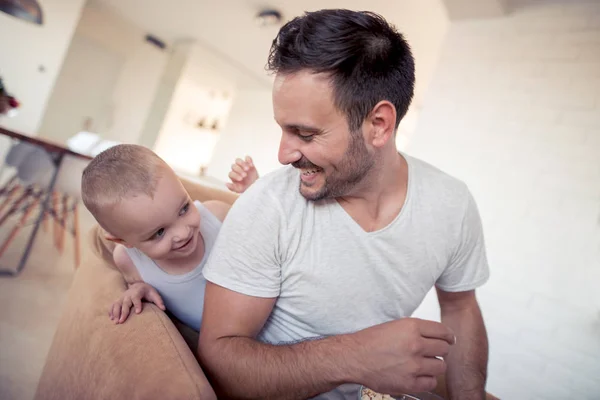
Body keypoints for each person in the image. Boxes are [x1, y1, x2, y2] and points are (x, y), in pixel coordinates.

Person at [199, 9, 491, 400]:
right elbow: (218, 360)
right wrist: (354, 357)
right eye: (284, 130)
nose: (284, 154)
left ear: (379, 125)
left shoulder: (452, 206)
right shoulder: (267, 207)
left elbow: (460, 307)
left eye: (304, 133)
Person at [80, 144, 230, 330]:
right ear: (122, 241)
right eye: (159, 232)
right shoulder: (128, 260)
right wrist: (139, 289)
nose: (183, 233)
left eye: (184, 209)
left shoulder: (218, 215)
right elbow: (140, 286)